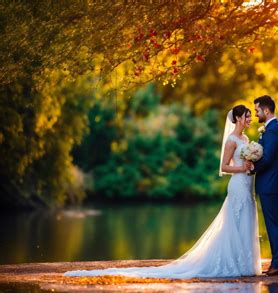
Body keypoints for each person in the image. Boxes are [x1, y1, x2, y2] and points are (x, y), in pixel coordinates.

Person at [64, 105, 261, 279]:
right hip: (237, 184)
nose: (249, 119)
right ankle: (230, 263)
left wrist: (250, 165)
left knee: (246, 220)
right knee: (233, 221)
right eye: (246, 116)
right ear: (237, 118)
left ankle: (245, 264)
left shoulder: (246, 138)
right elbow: (225, 167)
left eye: (251, 116)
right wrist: (242, 169)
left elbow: (244, 162)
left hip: (247, 184)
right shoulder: (231, 140)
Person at [247, 95, 278, 276]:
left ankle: (277, 265)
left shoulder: (273, 131)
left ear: (266, 110)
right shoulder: (271, 130)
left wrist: (253, 167)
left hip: (270, 184)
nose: (256, 114)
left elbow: (268, 157)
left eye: (257, 110)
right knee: (273, 224)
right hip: (269, 183)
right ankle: (277, 263)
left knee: (274, 224)